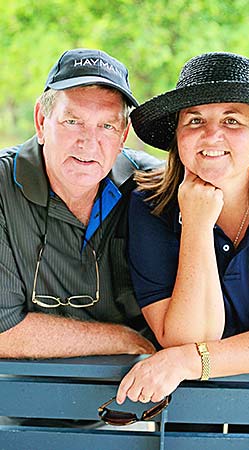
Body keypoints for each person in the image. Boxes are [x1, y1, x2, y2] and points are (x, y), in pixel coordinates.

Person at [116, 52, 249, 427]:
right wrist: (198, 226)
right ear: (178, 136)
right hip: (191, 408)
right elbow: (185, 336)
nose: (211, 135)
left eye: (232, 120)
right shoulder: (148, 206)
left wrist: (188, 360)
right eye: (195, 120)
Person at [0, 48, 160, 359]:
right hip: (25, 395)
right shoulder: (2, 185)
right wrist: (124, 339)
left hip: (142, 394)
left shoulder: (154, 187)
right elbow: (3, 332)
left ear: (124, 135)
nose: (88, 142)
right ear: (41, 121)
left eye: (107, 126)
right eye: (73, 121)